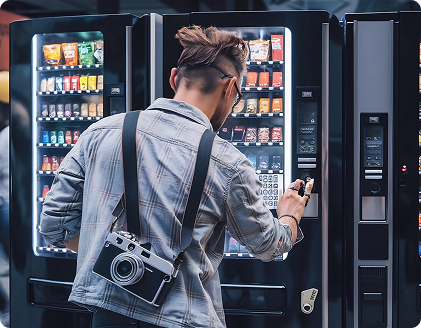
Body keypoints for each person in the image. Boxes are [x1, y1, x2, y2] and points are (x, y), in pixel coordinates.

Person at [40, 25, 313, 328]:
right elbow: (267, 246)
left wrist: (109, 251)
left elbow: (55, 226)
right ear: (230, 89)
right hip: (184, 318)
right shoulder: (228, 162)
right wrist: (289, 216)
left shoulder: (100, 132)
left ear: (173, 78)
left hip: (107, 314)